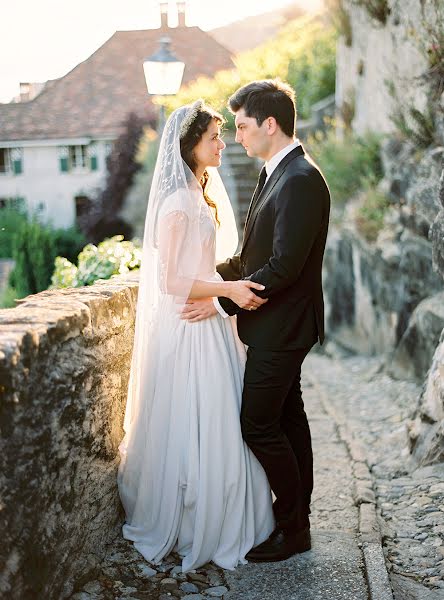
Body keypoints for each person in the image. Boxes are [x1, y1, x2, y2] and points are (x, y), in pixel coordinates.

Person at [117, 99, 274, 573]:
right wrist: (228, 289)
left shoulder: (198, 191)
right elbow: (171, 282)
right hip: (190, 325)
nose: (223, 144)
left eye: (223, 136)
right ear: (190, 147)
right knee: (196, 419)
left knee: (224, 417)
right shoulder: (176, 204)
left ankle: (233, 515)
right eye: (214, 138)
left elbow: (202, 267)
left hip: (212, 321)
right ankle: (193, 520)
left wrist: (223, 291)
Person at [182, 80, 331, 562]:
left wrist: (223, 301)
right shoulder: (276, 173)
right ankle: (297, 521)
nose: (238, 137)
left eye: (243, 126)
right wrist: (210, 281)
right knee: (288, 421)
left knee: (257, 425)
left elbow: (285, 265)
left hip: (283, 328)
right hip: (277, 326)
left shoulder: (302, 179)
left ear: (270, 124)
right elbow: (251, 256)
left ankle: (291, 527)